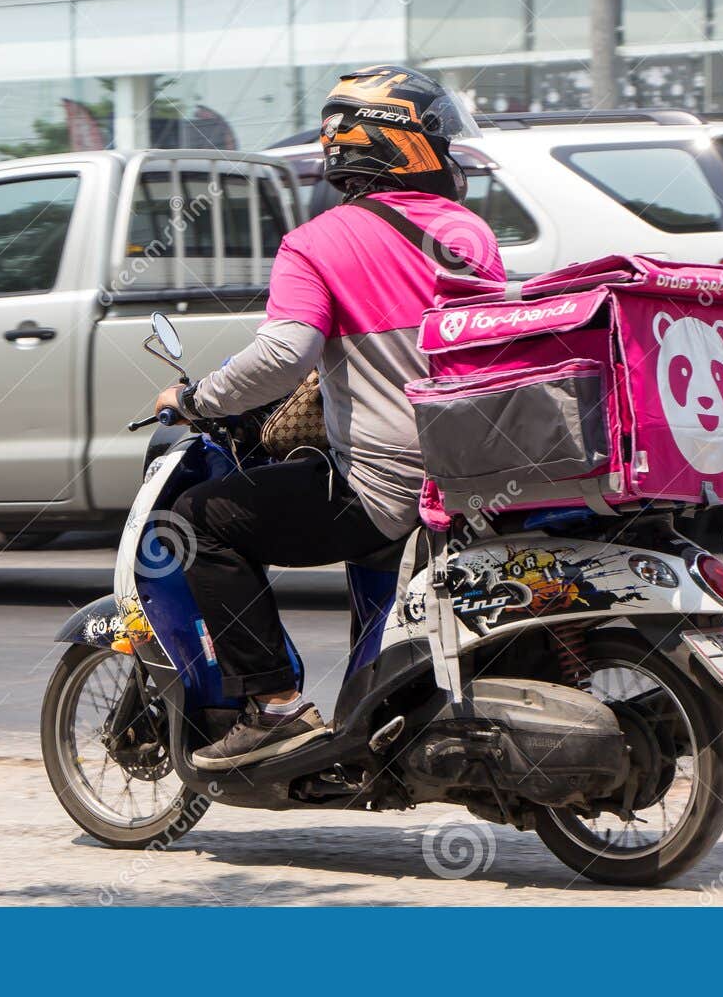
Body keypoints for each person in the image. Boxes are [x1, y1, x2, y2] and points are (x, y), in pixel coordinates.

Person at [151, 65, 505, 771]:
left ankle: (276, 706)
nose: (453, 152)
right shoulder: (468, 233)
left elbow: (284, 354)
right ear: (403, 144)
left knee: (194, 519)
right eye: (442, 137)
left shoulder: (317, 242)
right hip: (474, 477)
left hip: (390, 488)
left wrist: (196, 400)